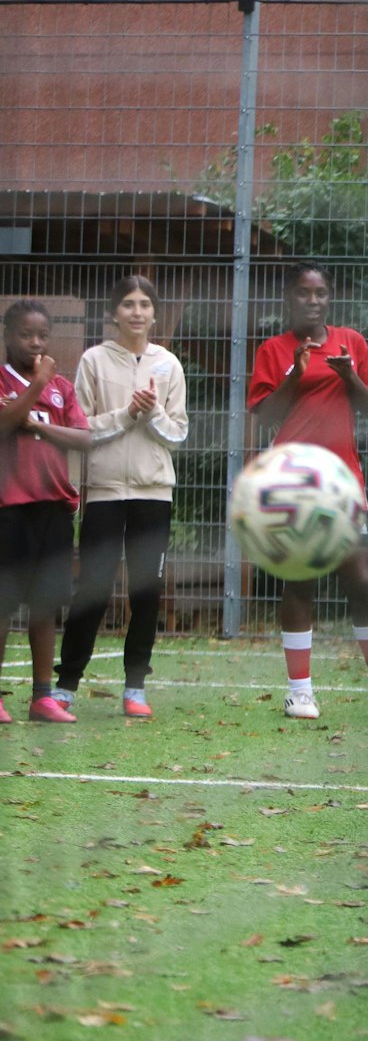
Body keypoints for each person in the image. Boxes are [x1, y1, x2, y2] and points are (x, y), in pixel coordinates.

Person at [247, 261, 368, 722]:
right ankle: (299, 693)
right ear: (289, 298)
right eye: (304, 293)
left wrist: (349, 374)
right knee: (299, 581)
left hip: (341, 481)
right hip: (291, 481)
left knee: (360, 581)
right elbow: (265, 415)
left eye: (321, 293)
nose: (313, 300)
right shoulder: (273, 350)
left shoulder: (350, 342)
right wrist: (295, 373)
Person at [51, 276, 188, 719]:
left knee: (147, 591)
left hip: (154, 493)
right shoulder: (93, 360)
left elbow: (178, 433)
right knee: (93, 587)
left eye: (145, 304)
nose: (136, 312)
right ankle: (66, 684)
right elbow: (82, 427)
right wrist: (126, 413)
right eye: (127, 303)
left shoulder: (168, 364)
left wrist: (151, 414)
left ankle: (136, 687)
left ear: (154, 312)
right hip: (106, 492)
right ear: (114, 312)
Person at [0, 300, 93, 723]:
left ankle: (42, 697)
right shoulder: (13, 380)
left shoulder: (64, 388)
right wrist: (36, 386)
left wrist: (37, 425)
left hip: (54, 508)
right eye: (25, 334)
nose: (35, 342)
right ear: (7, 336)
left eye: (42, 335)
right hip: (9, 509)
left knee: (45, 605)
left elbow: (82, 438)